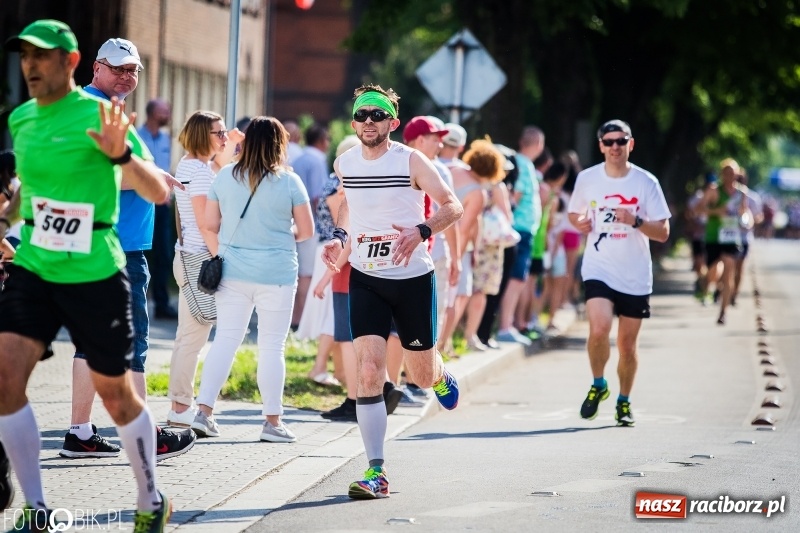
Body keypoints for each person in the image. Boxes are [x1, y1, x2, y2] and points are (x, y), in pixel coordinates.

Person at [0, 20, 172, 530]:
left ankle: (150, 499)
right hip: (36, 264)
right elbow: (31, 195)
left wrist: (121, 154)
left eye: (43, 57)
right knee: (6, 379)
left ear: (71, 63)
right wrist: (9, 225)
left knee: (116, 395)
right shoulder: (22, 120)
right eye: (24, 57)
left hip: (96, 269)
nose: (31, 66)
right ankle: (36, 507)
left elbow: (158, 192)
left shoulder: (102, 115)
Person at [321, 84, 463, 499]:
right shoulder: (345, 160)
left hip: (412, 279)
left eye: (377, 115)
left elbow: (451, 205)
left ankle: (436, 371)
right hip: (366, 274)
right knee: (368, 371)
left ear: (392, 123)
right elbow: (348, 202)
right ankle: (376, 471)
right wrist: (340, 236)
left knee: (418, 376)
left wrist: (421, 231)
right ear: (353, 123)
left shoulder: (412, 160)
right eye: (362, 115)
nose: (369, 121)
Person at [60, 37, 196, 462]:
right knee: (133, 344)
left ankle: (80, 432)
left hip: (104, 244)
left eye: (133, 69)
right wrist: (148, 175)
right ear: (95, 68)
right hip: (117, 247)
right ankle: (146, 435)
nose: (126, 75)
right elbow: (98, 174)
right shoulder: (97, 109)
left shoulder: (100, 108)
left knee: (89, 344)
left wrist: (150, 171)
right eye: (118, 67)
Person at [189, 117, 314, 442]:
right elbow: (307, 231)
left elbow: (211, 225)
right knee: (273, 346)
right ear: (279, 144)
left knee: (226, 340)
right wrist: (280, 230)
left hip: (233, 272)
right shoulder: (289, 182)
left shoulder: (225, 176)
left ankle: (203, 413)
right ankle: (272, 423)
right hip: (277, 274)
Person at [568, 120, 670, 428]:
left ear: (630, 143)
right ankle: (598, 383)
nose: (614, 146)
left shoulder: (645, 182)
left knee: (627, 345)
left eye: (620, 141)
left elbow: (664, 232)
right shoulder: (587, 178)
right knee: (598, 329)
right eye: (608, 141)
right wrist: (580, 223)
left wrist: (636, 221)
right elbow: (575, 212)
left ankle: (623, 402)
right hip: (599, 267)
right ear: (600, 145)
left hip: (635, 274)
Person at [166, 111, 243, 427]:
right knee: (192, 339)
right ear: (202, 135)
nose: (225, 138)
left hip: (189, 258)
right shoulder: (198, 172)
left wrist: (232, 144)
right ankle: (181, 409)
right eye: (219, 133)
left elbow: (216, 166)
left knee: (188, 337)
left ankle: (181, 406)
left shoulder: (190, 165)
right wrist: (221, 262)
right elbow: (203, 223)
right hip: (201, 260)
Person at [496, 126, 544, 345]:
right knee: (516, 279)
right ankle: (506, 326)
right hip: (521, 229)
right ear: (538, 145)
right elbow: (516, 195)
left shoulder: (521, 163)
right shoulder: (525, 165)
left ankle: (510, 324)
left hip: (522, 229)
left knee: (517, 279)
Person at [138, 98, 179, 319]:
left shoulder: (166, 139)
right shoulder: (136, 135)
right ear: (152, 113)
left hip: (163, 204)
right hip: (143, 201)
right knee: (140, 253)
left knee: (164, 254)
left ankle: (161, 305)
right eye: (164, 111)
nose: (167, 115)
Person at [699, 158, 752, 324]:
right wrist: (717, 211)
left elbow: (745, 212)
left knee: (729, 269)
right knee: (713, 272)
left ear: (737, 174)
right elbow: (699, 209)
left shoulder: (742, 193)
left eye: (732, 173)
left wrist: (746, 220)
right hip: (714, 236)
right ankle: (708, 285)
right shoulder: (714, 190)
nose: (729, 176)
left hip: (732, 237)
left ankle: (723, 312)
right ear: (721, 174)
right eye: (726, 172)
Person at [291, 124, 330, 330]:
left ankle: (295, 318)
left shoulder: (299, 159)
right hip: (310, 224)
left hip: (293, 222)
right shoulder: (317, 161)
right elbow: (318, 197)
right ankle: (301, 320)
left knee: (298, 273)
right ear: (322, 141)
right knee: (306, 273)